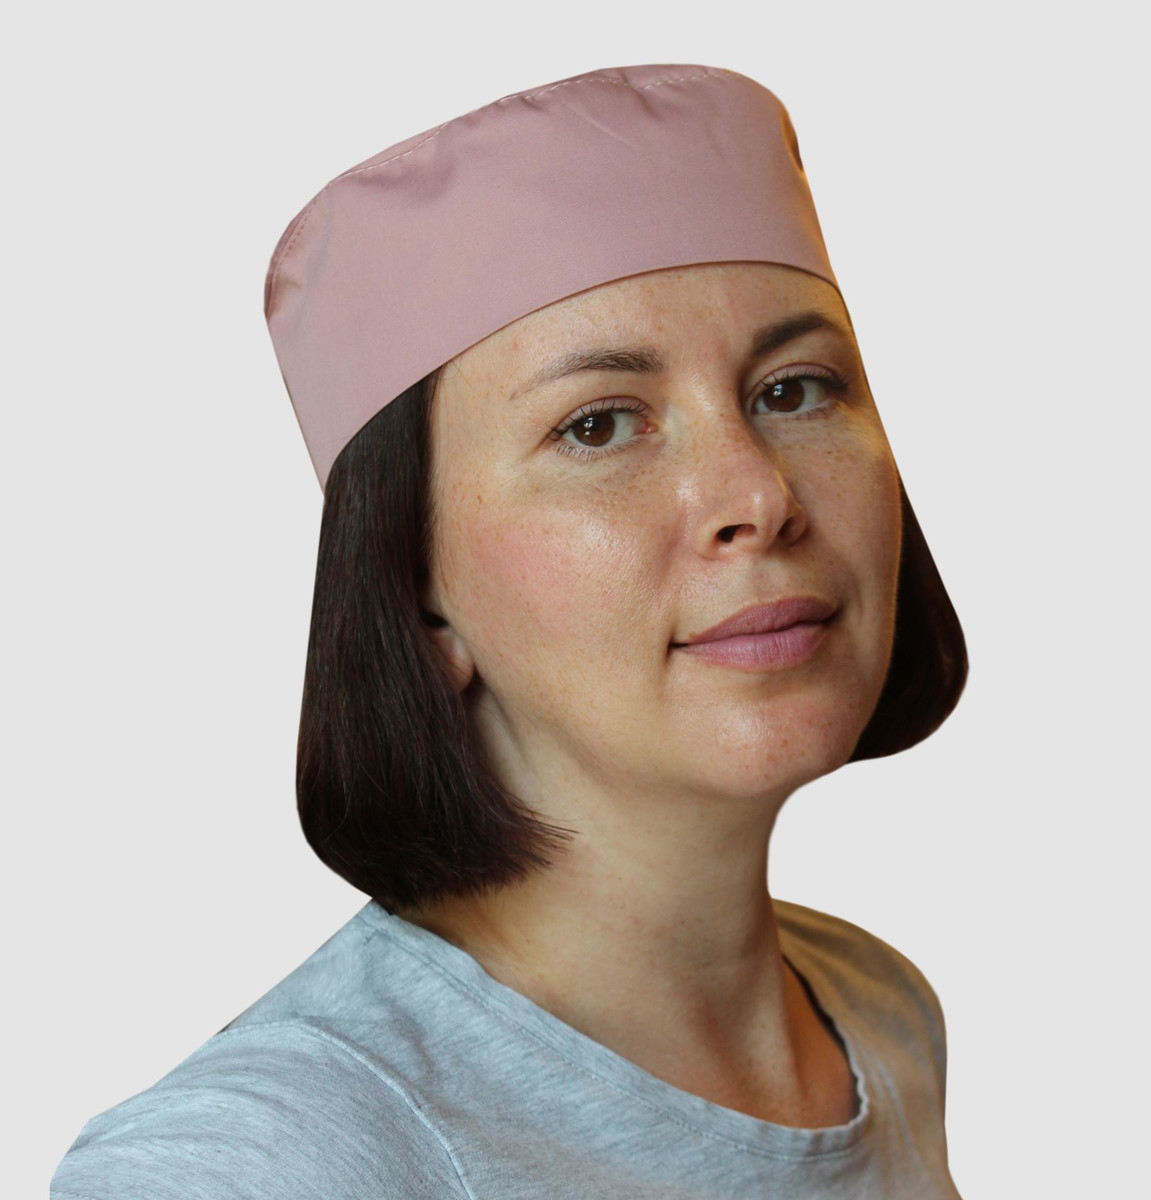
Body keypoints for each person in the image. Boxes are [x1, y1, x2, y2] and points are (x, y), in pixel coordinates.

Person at [51, 62, 967, 1198]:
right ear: (414, 590)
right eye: (599, 425)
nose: (758, 495)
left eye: (795, 389)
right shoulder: (265, 1161)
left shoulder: (881, 1017)